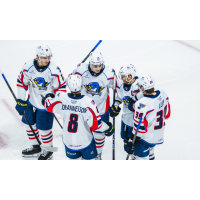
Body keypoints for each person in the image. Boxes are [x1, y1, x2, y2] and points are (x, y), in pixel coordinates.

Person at [42, 75, 114, 160]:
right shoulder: (88, 102)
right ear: (81, 85)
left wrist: (47, 97)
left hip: (68, 143)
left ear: (68, 86)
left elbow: (48, 105)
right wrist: (108, 127)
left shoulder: (62, 99)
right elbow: (96, 126)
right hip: (85, 142)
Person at [15, 44, 66, 160]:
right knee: (29, 124)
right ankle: (36, 147)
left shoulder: (54, 70)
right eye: (44, 57)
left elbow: (61, 87)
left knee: (44, 129)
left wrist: (52, 98)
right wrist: (21, 101)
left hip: (46, 106)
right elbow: (22, 83)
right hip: (31, 102)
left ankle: (48, 150)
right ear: (37, 56)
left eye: (48, 57)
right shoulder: (28, 67)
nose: (47, 60)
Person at [68, 52, 115, 159]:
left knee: (99, 134)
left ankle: (98, 154)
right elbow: (69, 82)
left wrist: (116, 104)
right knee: (84, 133)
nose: (98, 68)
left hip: (101, 109)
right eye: (95, 66)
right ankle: (84, 152)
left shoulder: (109, 73)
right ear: (89, 63)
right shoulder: (81, 70)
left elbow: (118, 89)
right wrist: (73, 74)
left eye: (100, 65)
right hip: (84, 110)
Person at [124, 74, 171, 160]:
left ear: (142, 88)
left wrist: (131, 140)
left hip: (144, 139)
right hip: (157, 136)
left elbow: (140, 129)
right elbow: (167, 114)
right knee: (150, 153)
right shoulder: (163, 94)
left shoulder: (141, 105)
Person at [109, 64, 144, 160]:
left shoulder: (139, 85)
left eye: (123, 76)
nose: (121, 78)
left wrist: (134, 103)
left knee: (135, 145)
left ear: (130, 76)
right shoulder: (121, 84)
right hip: (125, 120)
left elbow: (145, 98)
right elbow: (120, 97)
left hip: (136, 122)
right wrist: (115, 105)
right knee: (127, 144)